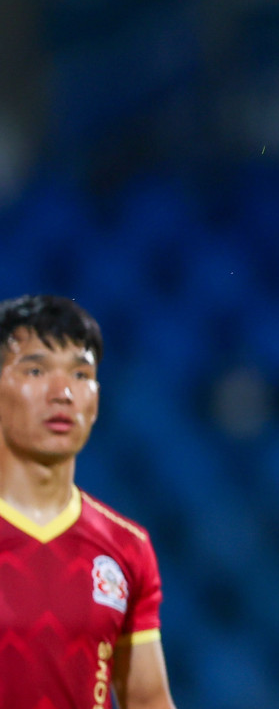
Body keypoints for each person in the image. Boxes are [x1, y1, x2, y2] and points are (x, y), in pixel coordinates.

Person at [0, 294, 176, 709]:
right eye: (37, 370)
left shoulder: (126, 548)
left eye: (81, 374)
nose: (62, 393)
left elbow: (147, 699)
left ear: (95, 401)